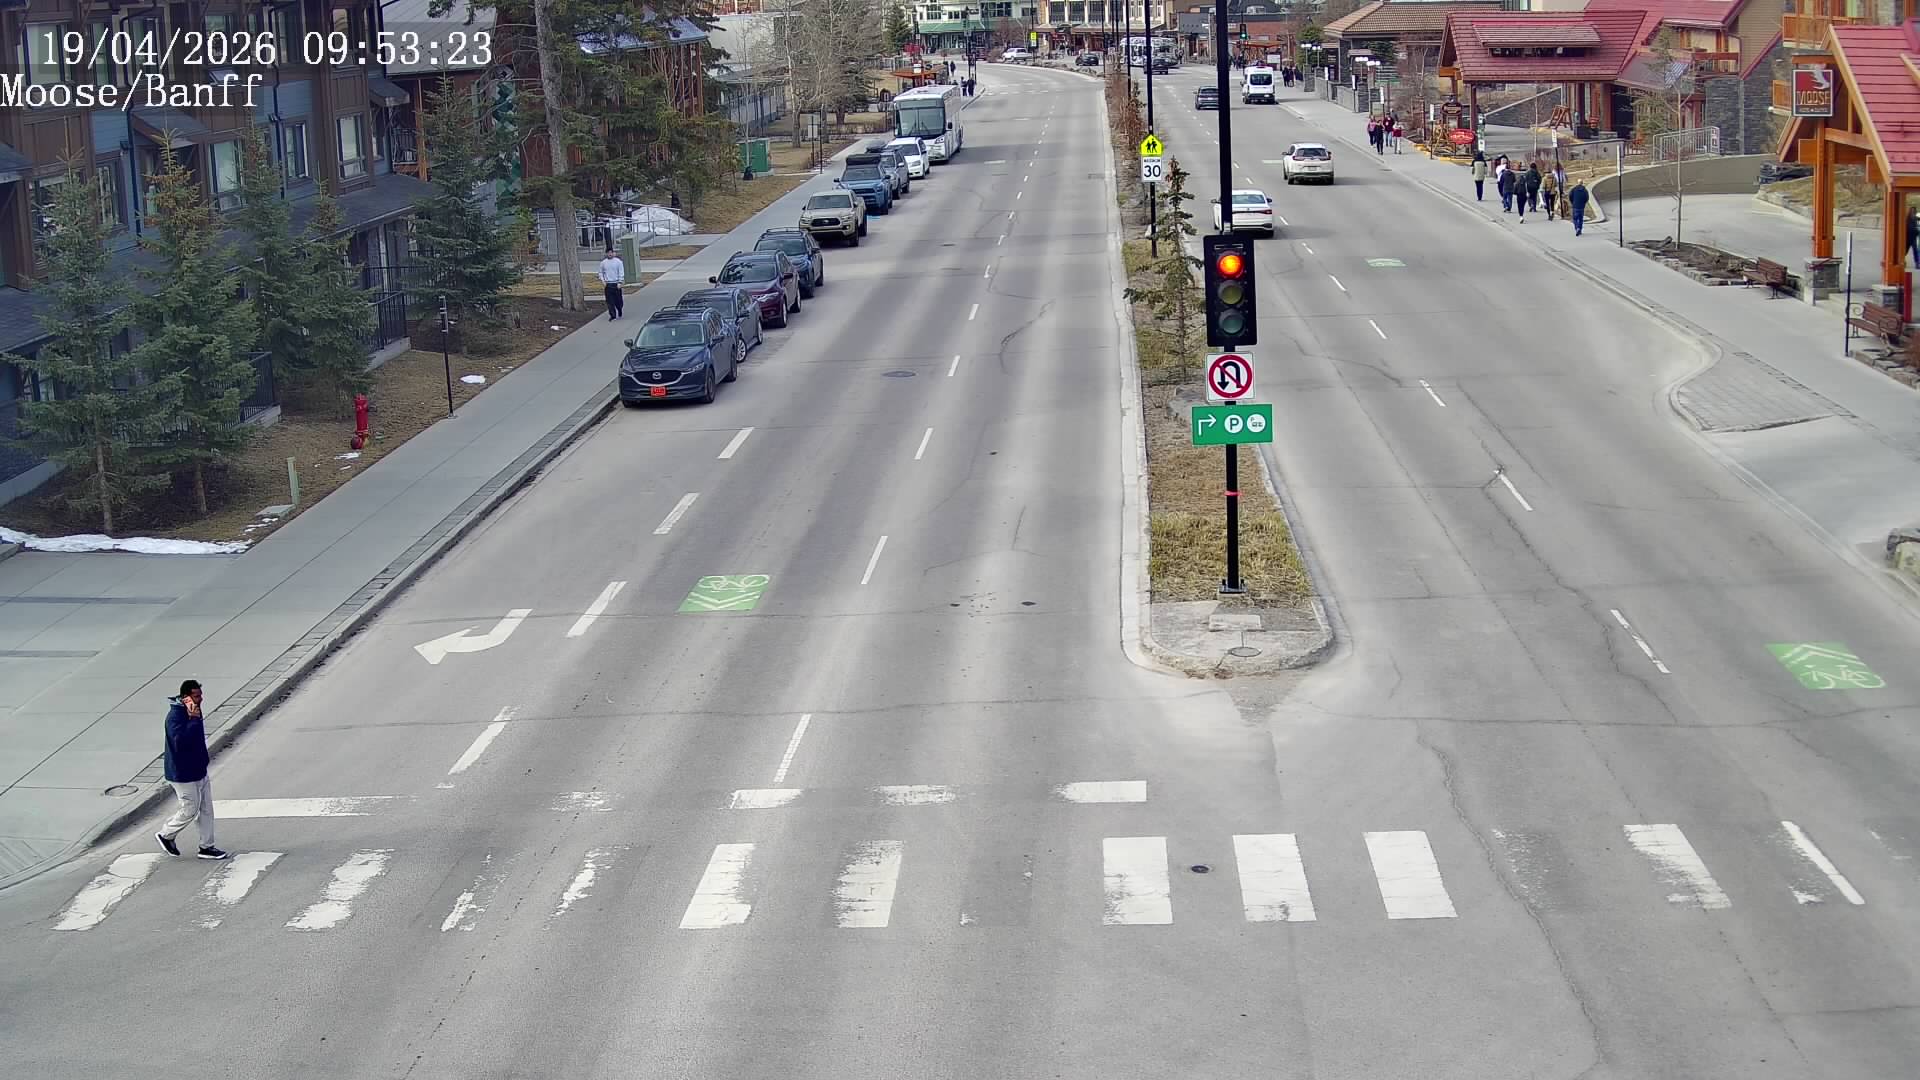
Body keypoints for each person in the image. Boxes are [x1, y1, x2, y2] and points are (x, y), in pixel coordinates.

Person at [158, 680, 227, 860]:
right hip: (182, 774)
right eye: (196, 696)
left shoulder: (193, 710)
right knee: (190, 808)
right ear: (185, 697)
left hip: (198, 769)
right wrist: (194, 720)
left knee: (206, 809)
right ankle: (166, 834)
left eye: (200, 695)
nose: (200, 699)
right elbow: (180, 742)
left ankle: (207, 847)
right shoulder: (175, 717)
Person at [599, 248, 625, 320]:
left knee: (618, 301)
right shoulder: (603, 263)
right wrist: (603, 281)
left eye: (611, 253)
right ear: (606, 254)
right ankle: (613, 315)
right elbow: (600, 272)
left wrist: (620, 282)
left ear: (613, 253)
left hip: (616, 283)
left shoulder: (618, 262)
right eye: (608, 253)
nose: (610, 254)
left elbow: (621, 272)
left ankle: (619, 309)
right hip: (608, 284)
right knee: (610, 301)